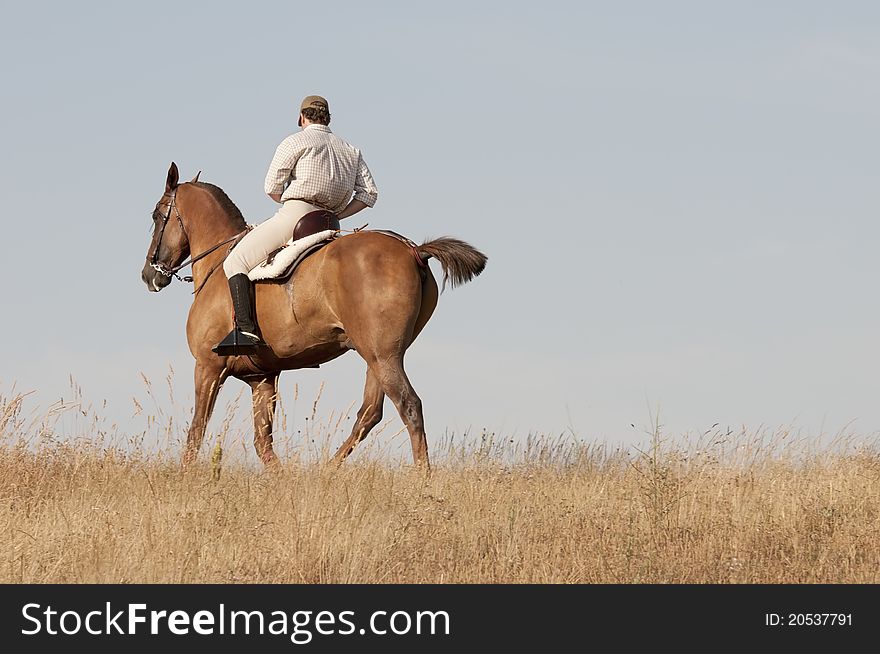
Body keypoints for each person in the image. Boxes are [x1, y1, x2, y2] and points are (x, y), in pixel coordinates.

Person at [213, 95, 379, 356]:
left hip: (295, 216)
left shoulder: (296, 141)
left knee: (235, 262)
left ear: (301, 117)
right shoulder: (351, 150)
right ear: (328, 118)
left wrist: (292, 205)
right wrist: (338, 214)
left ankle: (245, 331)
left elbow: (271, 187)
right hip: (330, 223)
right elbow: (369, 195)